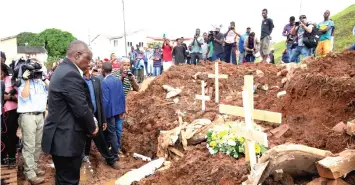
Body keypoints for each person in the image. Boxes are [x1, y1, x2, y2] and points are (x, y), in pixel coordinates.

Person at [42, 40, 98, 185]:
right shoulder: (70, 74)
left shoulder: (63, 70)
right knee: (69, 181)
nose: (90, 63)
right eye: (88, 58)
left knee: (63, 180)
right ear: (77, 55)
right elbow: (81, 109)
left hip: (62, 139)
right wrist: (92, 127)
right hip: (66, 140)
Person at [17, 58, 49, 184]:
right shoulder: (23, 82)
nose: (35, 73)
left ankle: (34, 167)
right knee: (29, 145)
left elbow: (52, 88)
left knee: (37, 144)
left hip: (40, 115)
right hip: (28, 116)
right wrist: (26, 80)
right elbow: (24, 96)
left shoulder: (41, 82)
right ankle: (29, 173)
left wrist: (44, 78)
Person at [82, 66, 120, 169]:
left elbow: (100, 101)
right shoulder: (79, 81)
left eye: (89, 66)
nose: (87, 68)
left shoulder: (96, 80)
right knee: (83, 139)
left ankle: (110, 160)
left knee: (100, 139)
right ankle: (84, 158)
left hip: (95, 116)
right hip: (84, 116)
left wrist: (103, 119)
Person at [101, 62, 126, 156]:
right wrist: (122, 109)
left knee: (112, 132)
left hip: (110, 111)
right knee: (119, 130)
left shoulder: (104, 82)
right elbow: (122, 96)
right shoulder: (117, 80)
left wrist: (104, 116)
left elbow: (105, 100)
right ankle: (118, 148)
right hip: (119, 110)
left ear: (103, 71)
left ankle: (114, 152)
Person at [1, 63, 18, 168]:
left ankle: (11, 158)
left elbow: (18, 97)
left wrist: (8, 97)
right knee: (2, 136)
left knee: (11, 135)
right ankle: (2, 157)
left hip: (10, 111)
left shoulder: (11, 80)